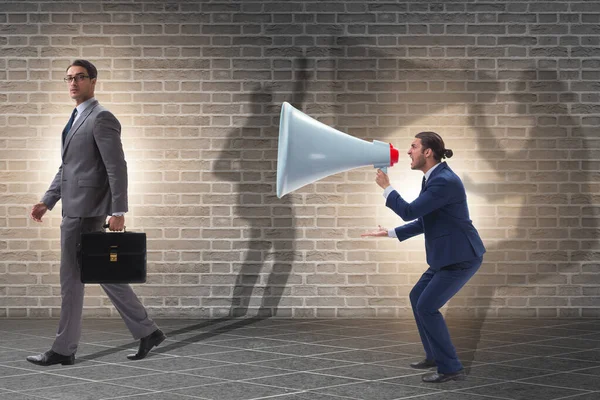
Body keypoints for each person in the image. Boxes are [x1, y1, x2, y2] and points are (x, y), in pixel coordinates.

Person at [27, 59, 165, 366]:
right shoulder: (76, 117)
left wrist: (118, 210)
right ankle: (147, 331)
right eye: (69, 78)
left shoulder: (101, 117)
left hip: (84, 212)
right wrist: (48, 200)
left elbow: (116, 167)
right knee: (103, 273)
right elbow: (68, 167)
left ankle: (64, 349)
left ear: (93, 81)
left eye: (79, 77)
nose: (73, 83)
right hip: (74, 207)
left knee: (71, 281)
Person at [362, 131, 485, 383]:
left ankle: (451, 368)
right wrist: (390, 233)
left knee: (427, 306)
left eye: (413, 146)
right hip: (446, 257)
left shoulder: (444, 181)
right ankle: (434, 355)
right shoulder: (433, 177)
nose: (408, 151)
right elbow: (425, 220)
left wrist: (387, 188)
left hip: (460, 257)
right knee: (418, 297)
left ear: (428, 152)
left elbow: (408, 212)